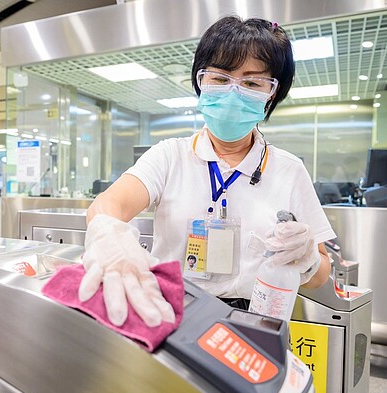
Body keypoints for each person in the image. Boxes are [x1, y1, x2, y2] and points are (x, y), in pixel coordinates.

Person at [78, 16, 336, 328]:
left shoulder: (289, 170)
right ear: (201, 81)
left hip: (257, 320)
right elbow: (108, 204)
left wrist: (306, 257)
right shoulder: (170, 155)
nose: (233, 93)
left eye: (252, 83)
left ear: (272, 93)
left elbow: (321, 275)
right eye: (220, 78)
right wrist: (109, 235)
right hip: (173, 314)